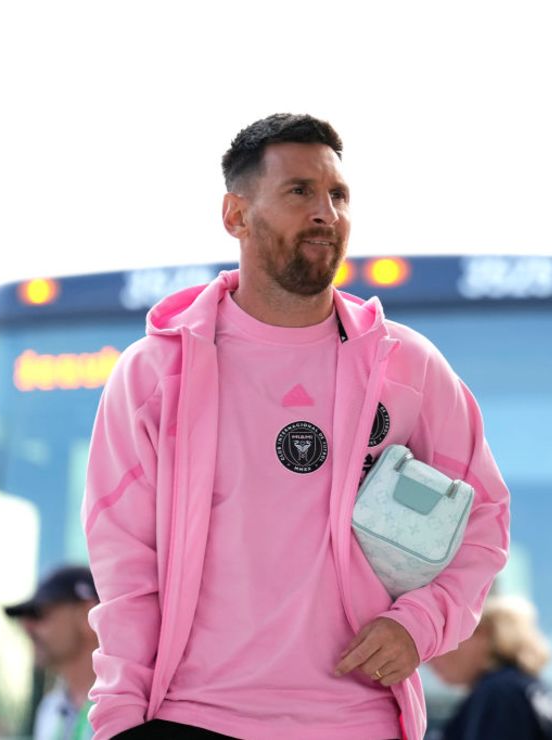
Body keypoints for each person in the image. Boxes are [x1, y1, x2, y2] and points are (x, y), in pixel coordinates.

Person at [81, 113, 510, 739]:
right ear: (236, 215)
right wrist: (118, 720)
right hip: (194, 717)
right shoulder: (154, 374)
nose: (325, 213)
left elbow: (486, 519)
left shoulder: (407, 366)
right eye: (299, 191)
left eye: (338, 195)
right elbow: (124, 565)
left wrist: (421, 623)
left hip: (360, 721)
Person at [428, 595, 552, 740]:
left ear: (484, 635)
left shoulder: (499, 692)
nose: (431, 657)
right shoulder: (532, 689)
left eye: (446, 638)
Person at [4, 565, 99, 740]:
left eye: (39, 613)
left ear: (87, 615)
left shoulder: (128, 706)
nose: (27, 627)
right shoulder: (49, 709)